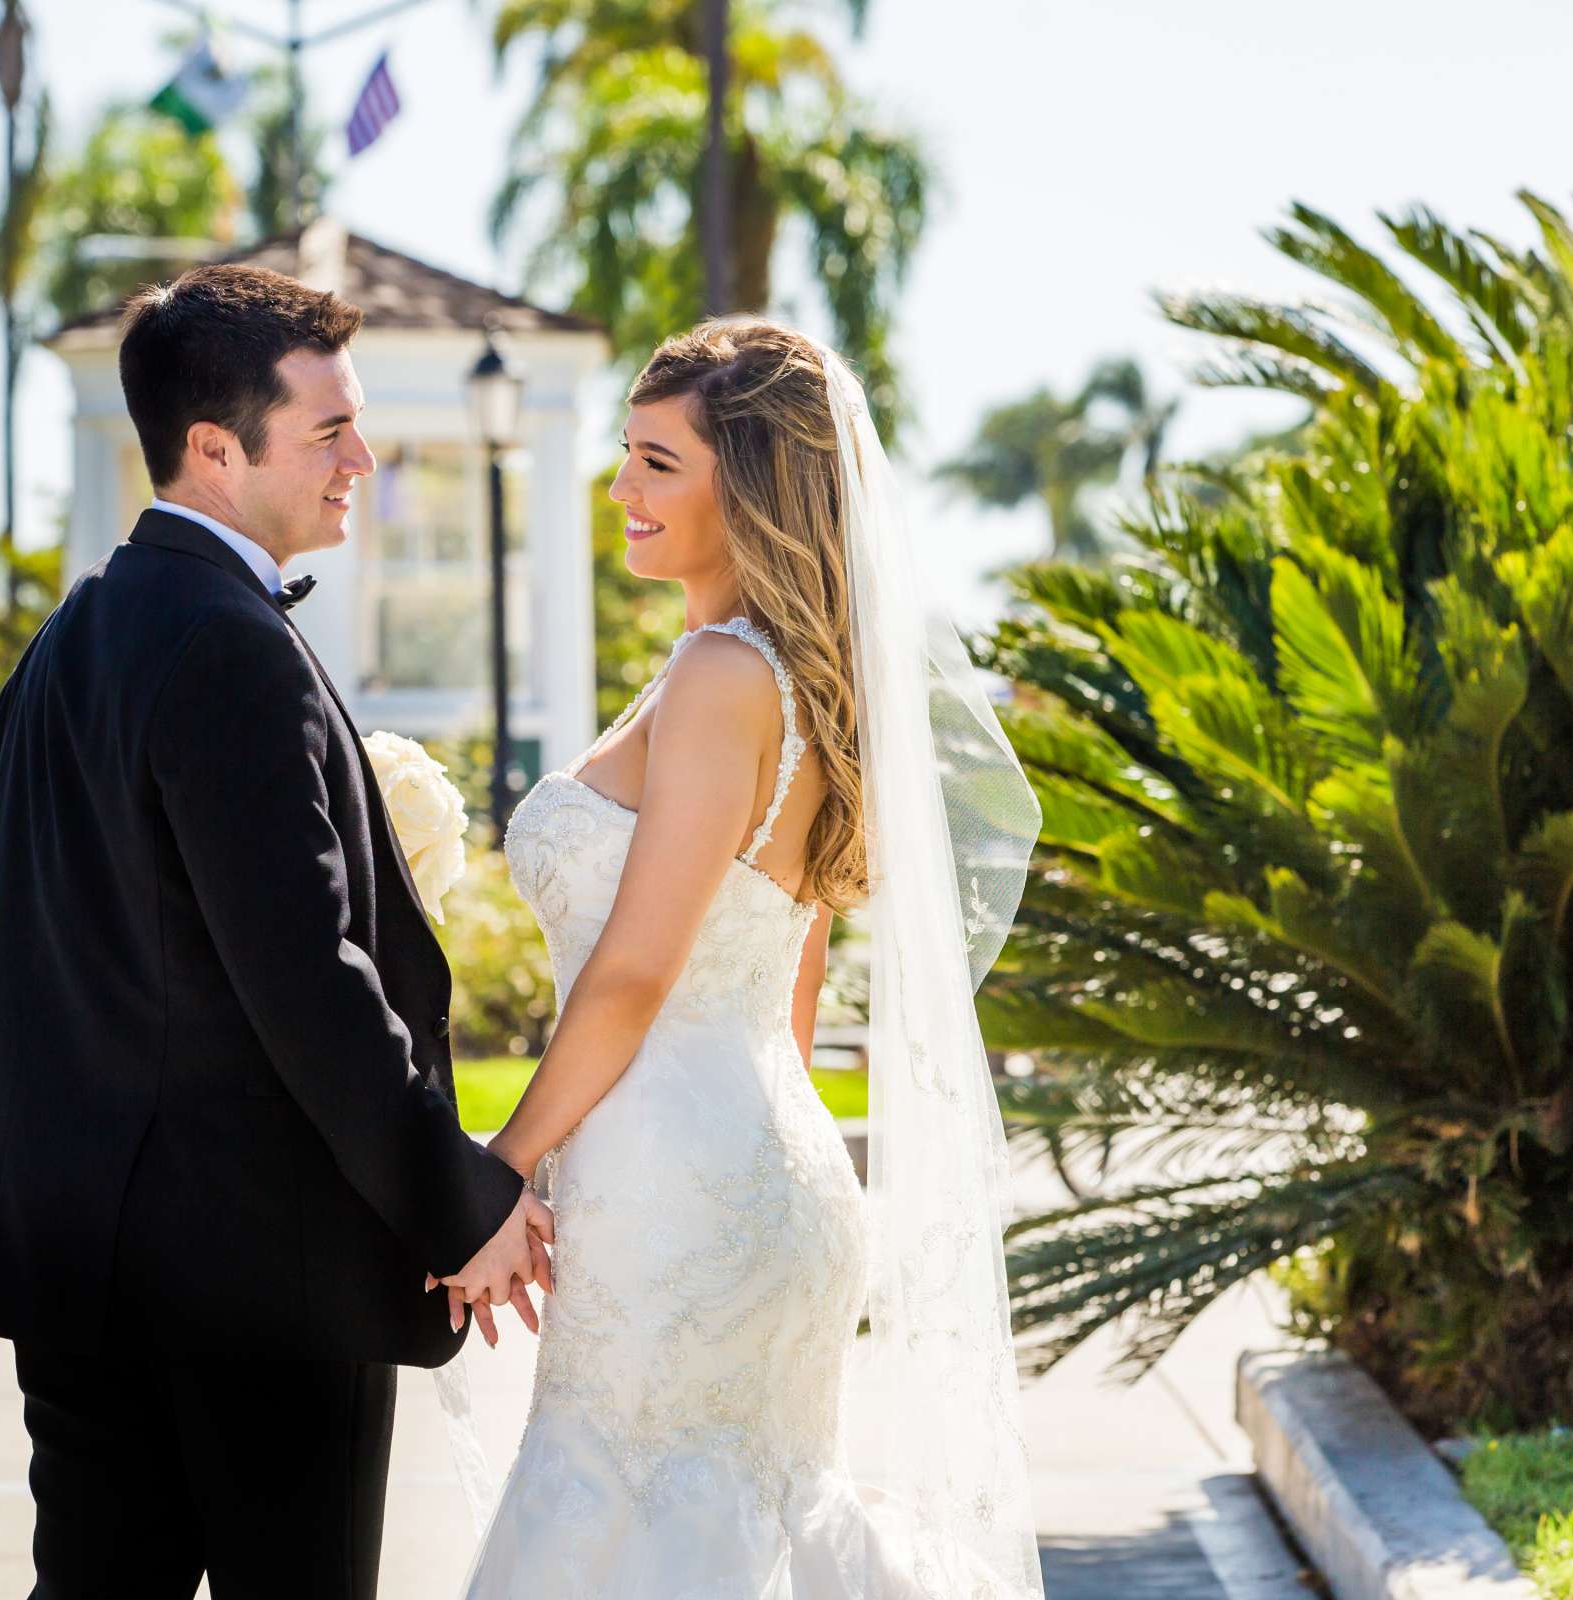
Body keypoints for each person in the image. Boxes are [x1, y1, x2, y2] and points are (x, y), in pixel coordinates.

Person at [0, 263, 552, 1600]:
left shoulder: (65, 644)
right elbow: (308, 984)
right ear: (215, 449)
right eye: (329, 430)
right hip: (254, 1278)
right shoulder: (225, 643)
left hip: (81, 1269)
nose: (363, 460)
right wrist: (457, 1205)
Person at [457, 318, 1046, 1597]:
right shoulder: (793, 682)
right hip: (768, 1173)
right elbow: (789, 964)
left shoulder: (726, 677)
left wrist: (494, 1169)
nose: (621, 488)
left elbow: (631, 977)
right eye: (625, 455)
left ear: (754, 484)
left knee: (630, 1519)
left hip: (674, 1188)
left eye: (657, 463)